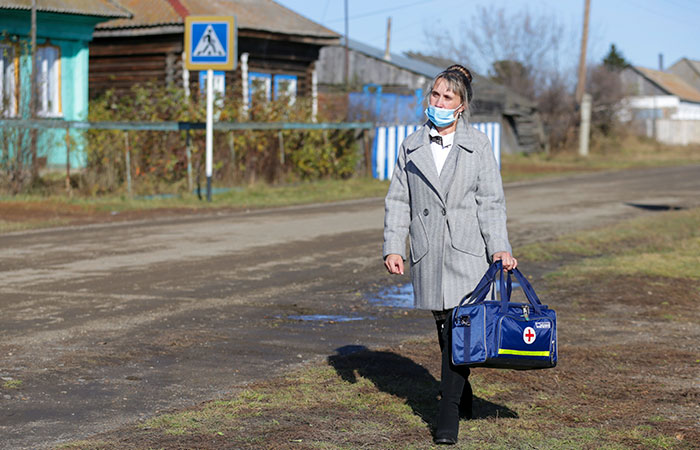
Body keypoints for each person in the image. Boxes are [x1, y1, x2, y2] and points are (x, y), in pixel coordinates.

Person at [382, 64, 517, 445]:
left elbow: (491, 201)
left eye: (447, 97)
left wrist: (499, 248)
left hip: (468, 250)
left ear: (461, 105)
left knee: (461, 327)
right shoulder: (410, 145)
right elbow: (398, 199)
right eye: (435, 95)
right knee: (447, 334)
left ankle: (447, 417)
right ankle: (465, 394)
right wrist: (394, 246)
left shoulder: (479, 145)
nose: (438, 102)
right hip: (428, 249)